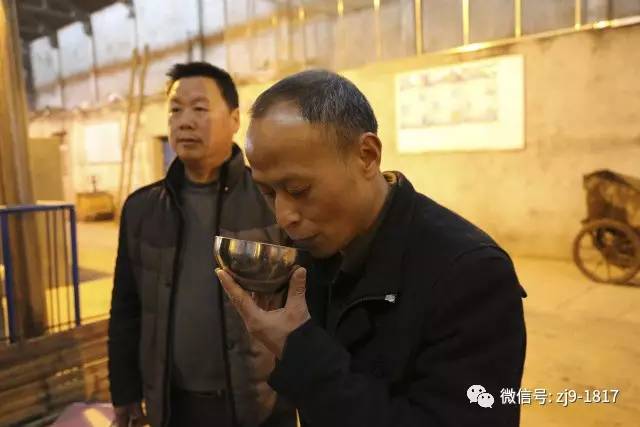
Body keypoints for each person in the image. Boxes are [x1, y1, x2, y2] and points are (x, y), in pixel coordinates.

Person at [216, 69, 527, 427]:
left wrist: (299, 348)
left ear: (366, 155)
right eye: (268, 192)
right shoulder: (311, 253)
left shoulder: (471, 275)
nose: (284, 217)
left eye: (298, 189)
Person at [108, 62, 295, 427]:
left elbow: (305, 304)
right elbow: (126, 310)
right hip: (172, 406)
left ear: (235, 119)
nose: (185, 122)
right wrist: (125, 391)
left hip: (260, 406)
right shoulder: (142, 209)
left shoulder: (274, 200)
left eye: (199, 108)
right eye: (175, 110)